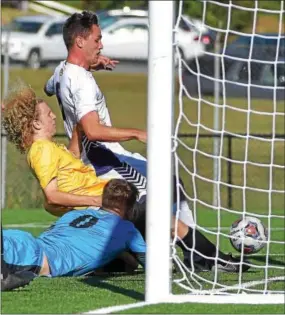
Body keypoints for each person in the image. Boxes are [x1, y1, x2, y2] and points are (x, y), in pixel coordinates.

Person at [3, 84, 250, 273]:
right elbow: (52, 194)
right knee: (156, 213)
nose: (53, 117)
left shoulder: (49, 148)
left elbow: (71, 163)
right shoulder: (41, 150)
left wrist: (81, 128)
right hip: (102, 207)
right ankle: (208, 258)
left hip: (100, 205)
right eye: (47, 115)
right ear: (35, 123)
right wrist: (94, 199)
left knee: (130, 259)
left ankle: (112, 259)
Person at [43, 10, 195, 236]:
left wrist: (91, 64)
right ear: (80, 41)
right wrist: (137, 134)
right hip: (104, 160)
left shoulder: (60, 71)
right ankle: (192, 250)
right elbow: (93, 131)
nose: (101, 45)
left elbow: (49, 88)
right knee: (155, 196)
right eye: (97, 39)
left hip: (98, 158)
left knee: (168, 186)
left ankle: (180, 246)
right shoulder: (81, 81)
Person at [3, 179, 146, 278]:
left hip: (24, 242)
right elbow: (151, 264)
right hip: (36, 259)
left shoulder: (75, 214)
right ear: (130, 207)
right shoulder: (128, 229)